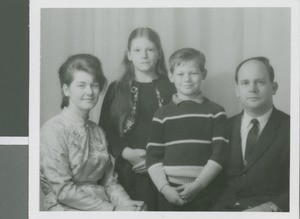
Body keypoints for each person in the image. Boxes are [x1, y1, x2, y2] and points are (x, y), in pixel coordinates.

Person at [40, 54, 146, 211]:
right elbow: (63, 191)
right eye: (81, 85)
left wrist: (127, 204)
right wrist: (113, 210)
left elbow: (109, 182)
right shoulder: (53, 129)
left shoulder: (98, 132)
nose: (89, 92)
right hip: (65, 208)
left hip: (105, 207)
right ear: (66, 89)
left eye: (94, 85)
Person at [99, 27, 175, 210]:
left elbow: (181, 131)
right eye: (138, 50)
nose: (144, 55)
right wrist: (126, 152)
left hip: (167, 171)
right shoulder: (116, 89)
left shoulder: (172, 87)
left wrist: (157, 160)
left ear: (159, 53)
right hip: (128, 173)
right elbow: (104, 131)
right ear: (129, 55)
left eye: (150, 49)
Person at [146, 48, 229, 211]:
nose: (187, 79)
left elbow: (220, 155)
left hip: (204, 189)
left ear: (203, 74)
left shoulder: (216, 111)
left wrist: (198, 185)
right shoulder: (161, 114)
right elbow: (152, 157)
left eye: (193, 73)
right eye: (180, 74)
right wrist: (164, 188)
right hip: (169, 191)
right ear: (171, 77)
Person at [213, 57, 290, 212]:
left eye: (260, 82)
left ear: (274, 87)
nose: (252, 89)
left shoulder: (292, 127)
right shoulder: (223, 126)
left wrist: (270, 208)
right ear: (237, 90)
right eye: (245, 83)